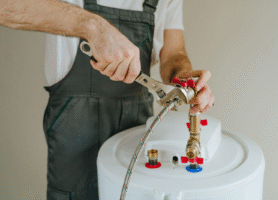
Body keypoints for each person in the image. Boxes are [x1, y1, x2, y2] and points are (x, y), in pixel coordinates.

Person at [0, 0, 214, 199]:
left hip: (135, 127)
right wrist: (92, 26)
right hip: (73, 132)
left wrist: (183, 79)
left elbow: (173, 52)